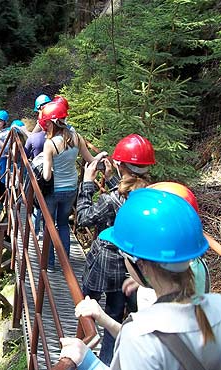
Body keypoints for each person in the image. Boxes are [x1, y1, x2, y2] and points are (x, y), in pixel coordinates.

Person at [60, 188, 221, 370]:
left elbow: (145, 346)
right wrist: (103, 319)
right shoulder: (217, 307)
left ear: (139, 264)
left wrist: (89, 362)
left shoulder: (139, 335)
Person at [77, 134, 155, 365]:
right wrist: (112, 180)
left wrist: (87, 183)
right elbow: (126, 199)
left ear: (120, 165)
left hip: (103, 262)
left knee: (87, 298)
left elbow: (83, 217)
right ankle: (108, 360)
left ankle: (82, 340)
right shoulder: (149, 193)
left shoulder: (111, 200)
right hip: (126, 269)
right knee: (114, 313)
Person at [39, 100, 107, 272]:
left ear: (53, 122)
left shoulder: (50, 144)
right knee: (63, 225)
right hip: (71, 189)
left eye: (47, 122)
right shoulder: (77, 138)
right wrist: (102, 157)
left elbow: (47, 176)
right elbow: (91, 160)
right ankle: (65, 263)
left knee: (50, 225)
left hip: (54, 190)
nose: (45, 125)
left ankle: (51, 264)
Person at [122, 181, 211, 310]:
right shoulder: (195, 265)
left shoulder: (155, 296)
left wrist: (103, 319)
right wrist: (146, 279)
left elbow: (148, 329)